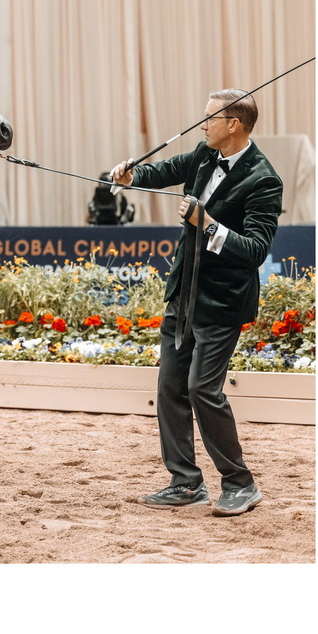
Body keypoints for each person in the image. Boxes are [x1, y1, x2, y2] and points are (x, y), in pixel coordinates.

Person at [109, 88, 282, 517]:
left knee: (202, 390)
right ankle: (185, 483)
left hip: (222, 303)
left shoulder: (264, 179)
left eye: (209, 118)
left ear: (233, 125)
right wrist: (133, 176)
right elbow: (168, 169)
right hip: (182, 294)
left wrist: (207, 223)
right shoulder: (205, 155)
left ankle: (240, 483)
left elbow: (255, 250)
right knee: (170, 388)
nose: (202, 125)